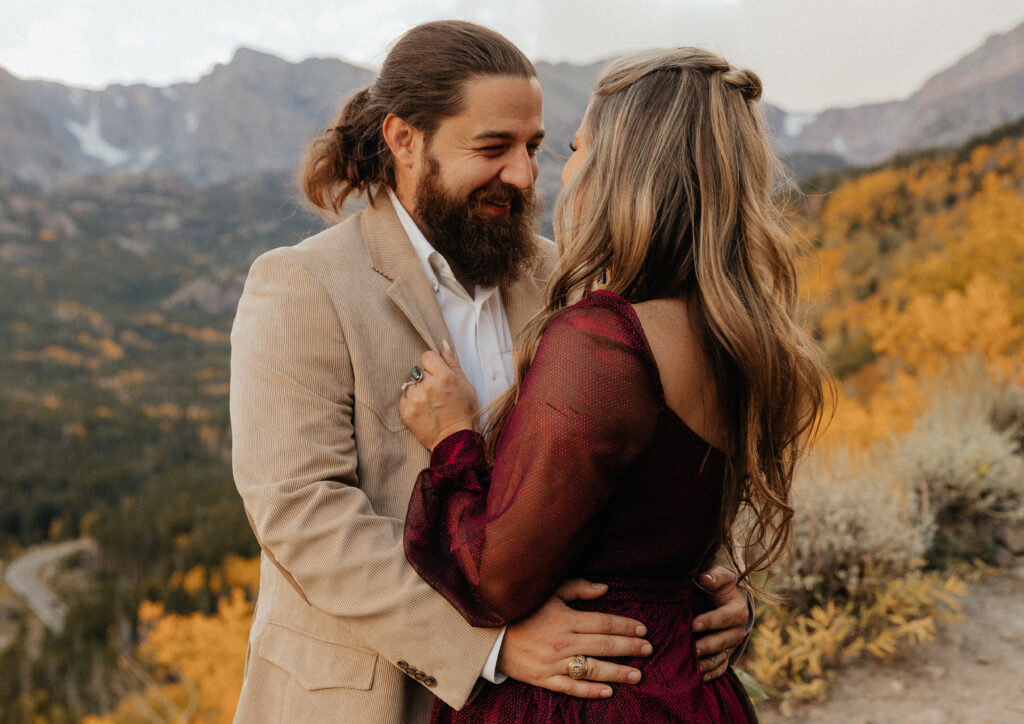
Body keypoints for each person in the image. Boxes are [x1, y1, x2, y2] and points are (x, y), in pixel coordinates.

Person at [230, 23, 749, 724]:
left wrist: (707, 578)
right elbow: (301, 513)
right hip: (365, 699)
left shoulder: (566, 277)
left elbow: (644, 448)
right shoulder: (302, 285)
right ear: (405, 140)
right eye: (493, 148)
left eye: (534, 147)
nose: (526, 175)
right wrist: (490, 642)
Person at [398, 47, 827, 722]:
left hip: (591, 698)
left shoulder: (604, 344)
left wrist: (452, 439)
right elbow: (664, 508)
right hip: (687, 687)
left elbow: (496, 578)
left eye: (574, 147)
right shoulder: (734, 331)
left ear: (622, 165)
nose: (559, 171)